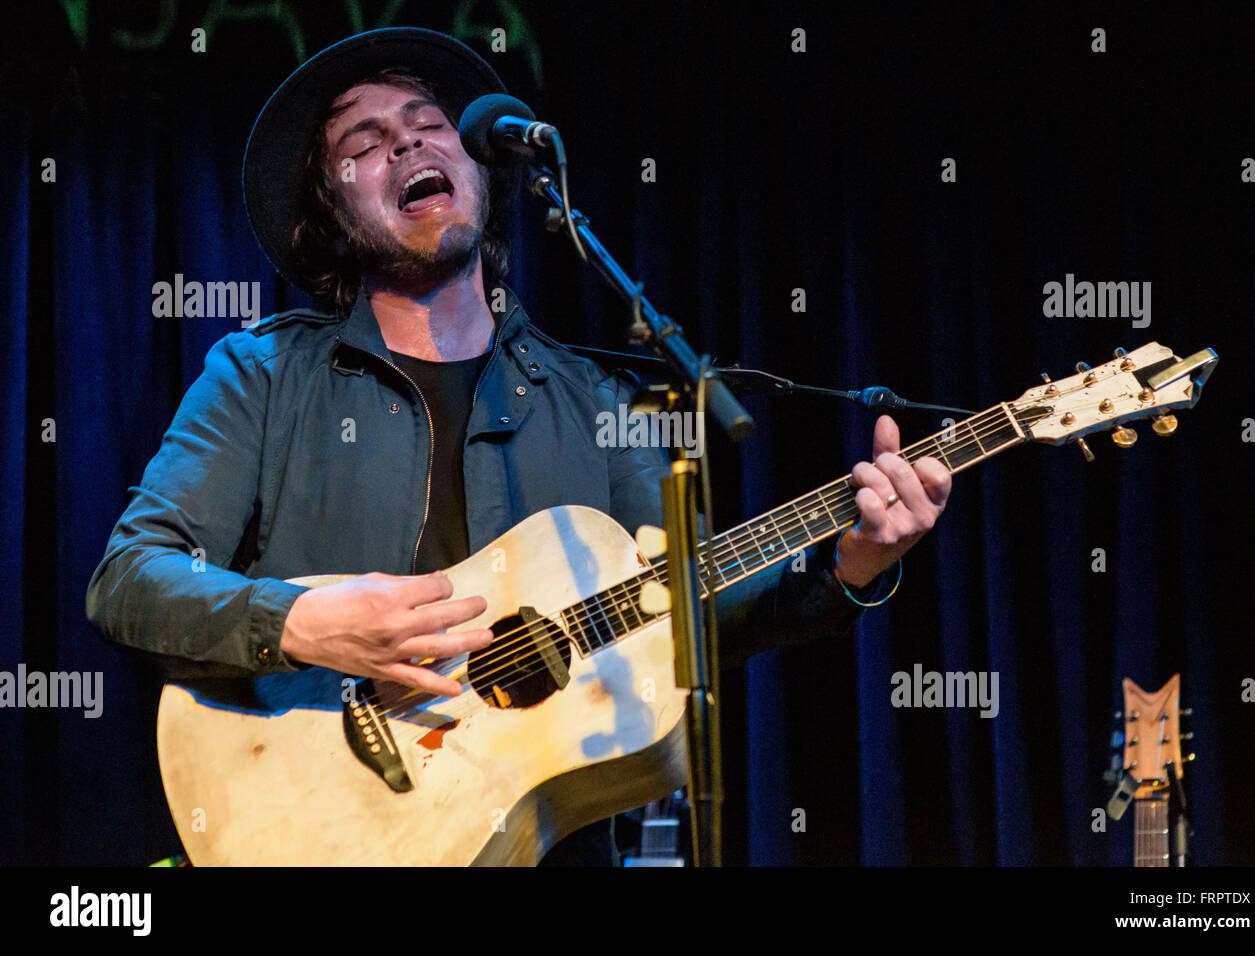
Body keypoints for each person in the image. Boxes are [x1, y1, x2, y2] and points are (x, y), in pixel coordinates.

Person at [85, 27, 951, 865]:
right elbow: (132, 579)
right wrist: (303, 623)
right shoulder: (261, 374)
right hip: (311, 820)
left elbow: (681, 617)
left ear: (477, 172)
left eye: (428, 126)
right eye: (366, 140)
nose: (408, 142)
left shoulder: (595, 400)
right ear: (331, 210)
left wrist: (852, 562)